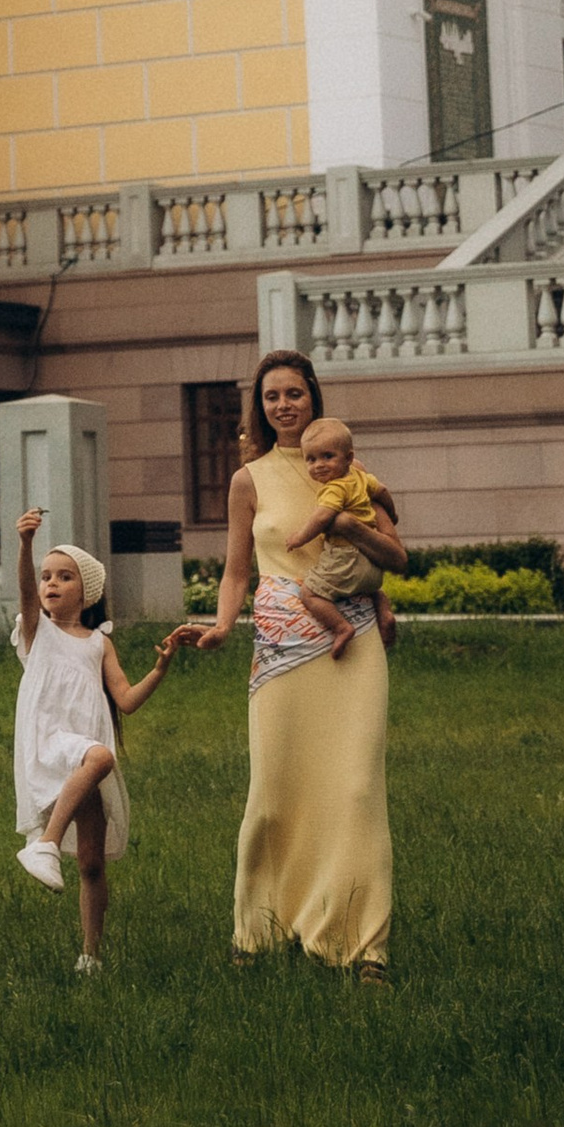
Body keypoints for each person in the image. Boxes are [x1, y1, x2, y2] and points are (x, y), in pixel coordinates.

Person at [176, 348, 404, 977]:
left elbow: (392, 549)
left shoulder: (350, 469)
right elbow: (236, 571)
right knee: (275, 797)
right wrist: (222, 624)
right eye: (273, 395)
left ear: (314, 398)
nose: (284, 405)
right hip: (279, 648)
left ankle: (363, 950)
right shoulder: (248, 480)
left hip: (350, 642)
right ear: (262, 405)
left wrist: (374, 583)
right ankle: (258, 935)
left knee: (356, 792)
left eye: (295, 394)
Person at [10, 509, 173, 973]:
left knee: (92, 864)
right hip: (52, 742)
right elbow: (24, 591)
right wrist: (25, 545)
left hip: (81, 758)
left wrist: (160, 669)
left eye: (64, 577)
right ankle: (44, 844)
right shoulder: (37, 632)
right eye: (46, 577)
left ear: (88, 591)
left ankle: (90, 956)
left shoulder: (98, 642)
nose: (50, 584)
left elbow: (125, 700)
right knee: (102, 755)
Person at [277, 417, 398, 656]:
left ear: (349, 457)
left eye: (327, 456)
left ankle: (341, 627)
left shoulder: (334, 488)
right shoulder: (361, 477)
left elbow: (322, 518)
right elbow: (383, 491)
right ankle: (383, 609)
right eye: (311, 459)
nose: (319, 465)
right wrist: (392, 514)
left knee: (310, 593)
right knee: (370, 588)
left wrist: (300, 538)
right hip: (371, 565)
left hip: (346, 557)